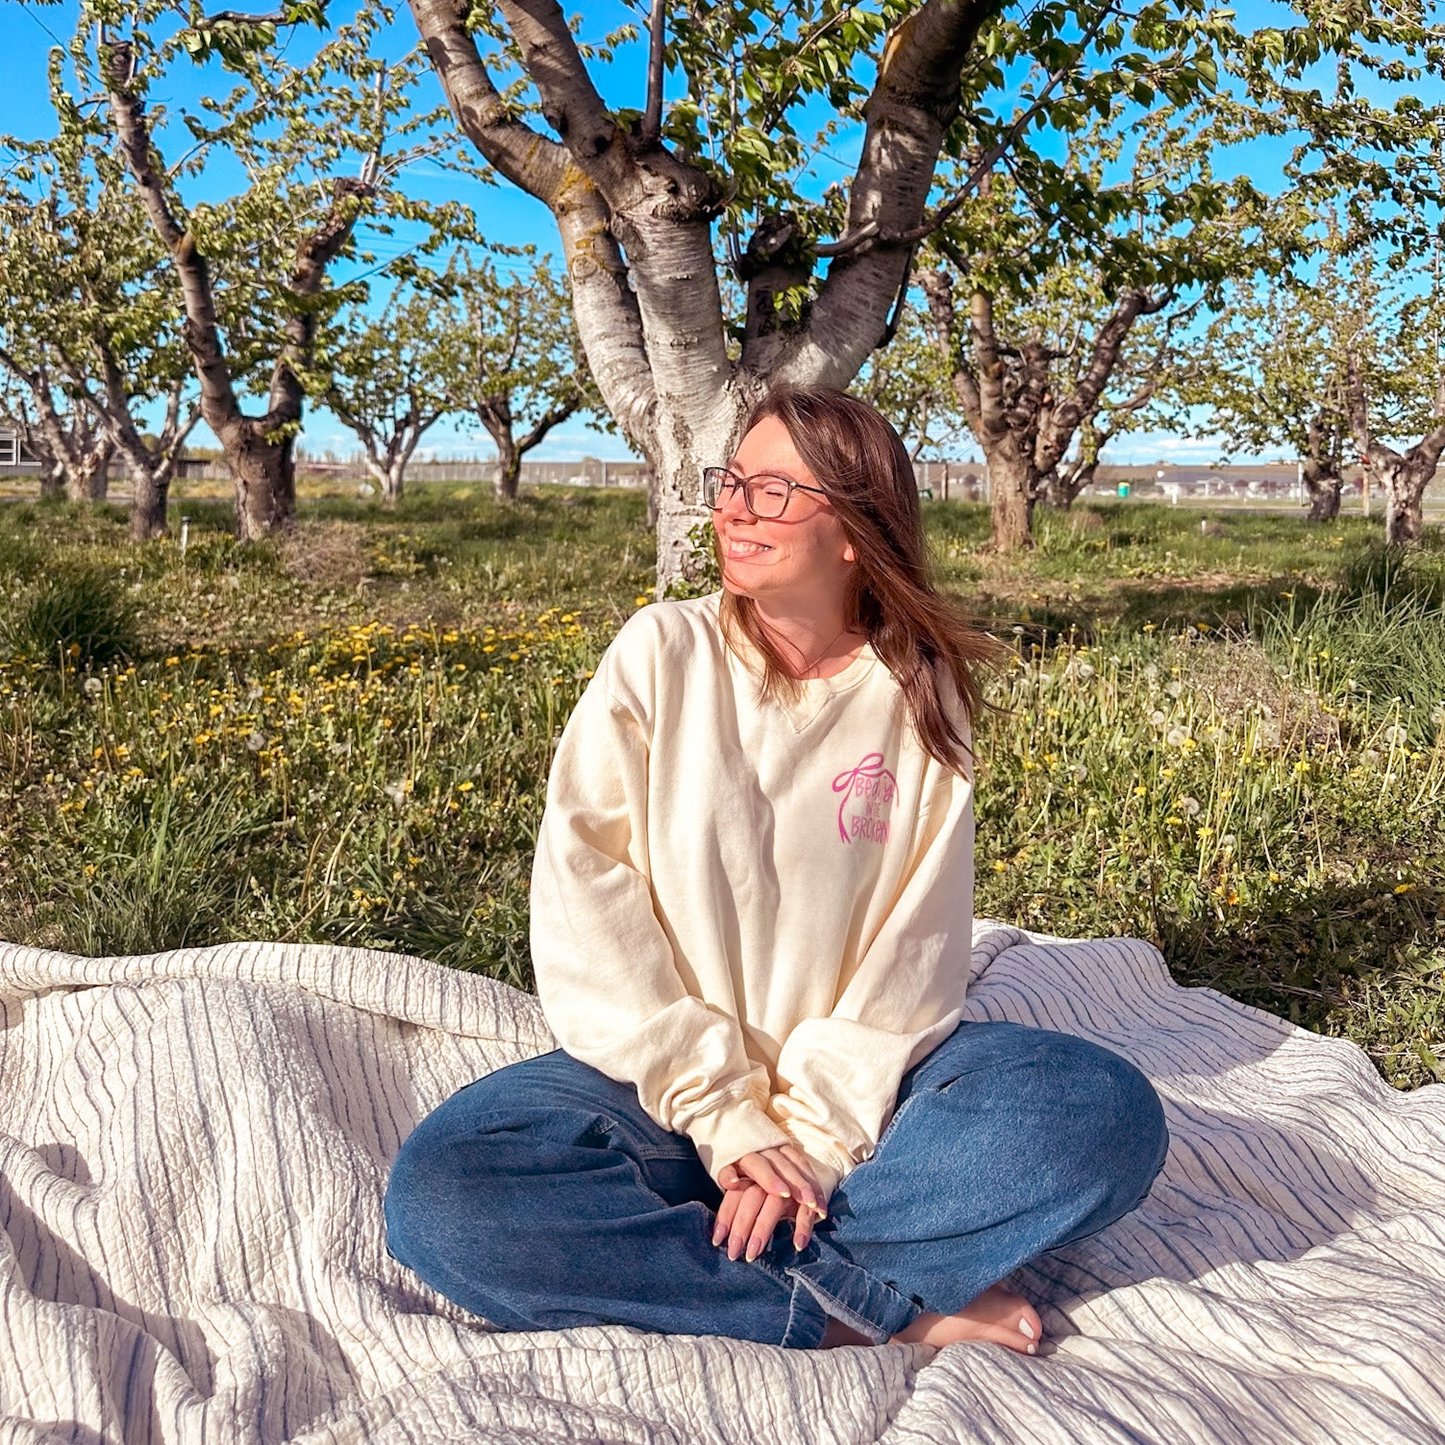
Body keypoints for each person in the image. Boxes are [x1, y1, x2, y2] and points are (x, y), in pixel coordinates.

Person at [383, 385, 1169, 1353]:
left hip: (858, 1093)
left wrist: (808, 1140)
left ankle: (785, 1260)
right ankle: (872, 1304)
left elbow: (911, 954)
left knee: (1100, 1110)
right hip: (658, 1081)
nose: (732, 509)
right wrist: (726, 1117)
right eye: (731, 482)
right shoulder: (660, 653)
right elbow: (587, 891)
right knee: (448, 1193)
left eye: (770, 489)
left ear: (853, 529)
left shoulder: (917, 696)